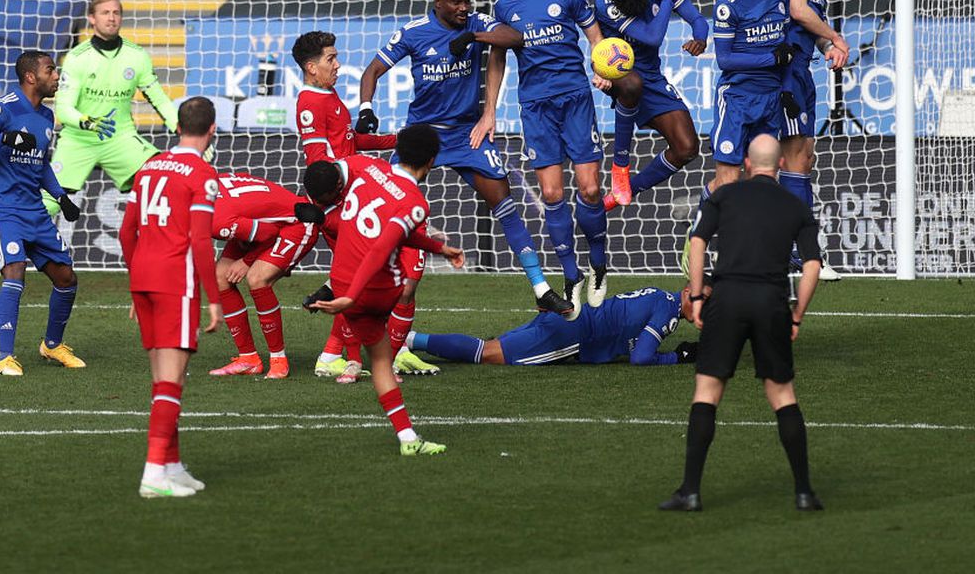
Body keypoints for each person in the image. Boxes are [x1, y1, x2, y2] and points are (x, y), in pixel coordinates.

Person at [356, 0, 574, 316]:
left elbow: (515, 37)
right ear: (438, 1)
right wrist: (366, 109)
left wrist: (475, 38)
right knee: (388, 206)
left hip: (467, 133)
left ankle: (540, 288)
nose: (463, 8)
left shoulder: (475, 23)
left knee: (504, 203)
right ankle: (351, 282)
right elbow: (372, 71)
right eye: (456, 2)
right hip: (423, 135)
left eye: (467, 2)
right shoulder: (414, 32)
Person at [661, 134, 823, 512]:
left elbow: (697, 243)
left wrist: (698, 296)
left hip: (728, 298)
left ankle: (691, 491)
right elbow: (812, 266)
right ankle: (803, 492)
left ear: (747, 165)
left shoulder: (724, 195)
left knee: (708, 393)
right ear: (781, 165)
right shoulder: (795, 205)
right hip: (771, 301)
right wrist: (796, 312)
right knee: (783, 396)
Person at [292, 30, 438, 379]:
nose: (338, 64)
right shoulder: (311, 103)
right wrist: (336, 210)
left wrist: (395, 139)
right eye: (331, 59)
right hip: (343, 204)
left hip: (355, 196)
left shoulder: (328, 95)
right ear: (311, 67)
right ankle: (342, 357)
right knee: (373, 277)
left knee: (390, 272)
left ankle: (386, 351)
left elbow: (350, 141)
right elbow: (320, 164)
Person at [313, 125, 465, 456]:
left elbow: (394, 232)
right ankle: (388, 353)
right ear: (431, 161)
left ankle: (408, 438)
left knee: (380, 360)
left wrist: (440, 247)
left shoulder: (366, 173)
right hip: (372, 289)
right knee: (406, 286)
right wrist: (354, 294)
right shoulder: (415, 201)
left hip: (340, 278)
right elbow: (383, 246)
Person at [493, 0, 609, 310]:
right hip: (536, 107)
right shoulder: (505, 4)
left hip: (575, 99)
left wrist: (602, 67)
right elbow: (497, 57)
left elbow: (595, 35)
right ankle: (571, 272)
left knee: (590, 190)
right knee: (552, 194)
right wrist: (489, 110)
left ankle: (599, 262)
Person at [119, 96, 224, 498]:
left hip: (143, 278)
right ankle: (152, 475)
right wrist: (213, 298)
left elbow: (126, 232)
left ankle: (171, 465)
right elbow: (200, 239)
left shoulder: (148, 167)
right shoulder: (202, 174)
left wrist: (135, 281)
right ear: (212, 130)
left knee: (166, 380)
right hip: (174, 281)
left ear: (177, 127)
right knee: (171, 379)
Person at [0, 50, 83, 376]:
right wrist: (4, 137)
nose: (56, 76)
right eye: (50, 70)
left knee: (66, 278)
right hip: (4, 209)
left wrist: (61, 196)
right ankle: (5, 356)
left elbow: (41, 163)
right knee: (15, 271)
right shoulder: (3, 107)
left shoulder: (46, 117)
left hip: (35, 210)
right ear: (31, 77)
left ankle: (53, 345)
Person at [683, 0, 795, 274]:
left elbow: (787, 49)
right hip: (737, 99)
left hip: (771, 99)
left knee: (762, 180)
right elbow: (726, 60)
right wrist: (768, 58)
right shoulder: (729, 4)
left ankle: (758, 251)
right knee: (728, 182)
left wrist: (786, 87)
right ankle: (699, 239)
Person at [43, 0, 178, 216]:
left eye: (116, 13)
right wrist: (87, 122)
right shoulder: (77, 57)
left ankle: (155, 246)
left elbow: (159, 99)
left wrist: (186, 131)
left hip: (120, 137)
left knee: (164, 180)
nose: (111, 18)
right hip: (79, 139)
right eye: (105, 13)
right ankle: (19, 246)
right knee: (49, 203)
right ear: (92, 19)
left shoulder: (137, 56)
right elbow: (63, 110)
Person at [593, 0, 710, 210]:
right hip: (618, 72)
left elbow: (697, 20)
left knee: (687, 148)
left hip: (653, 77)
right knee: (632, 84)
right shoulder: (607, 3)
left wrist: (700, 38)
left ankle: (619, 195)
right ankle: (620, 167)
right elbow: (652, 36)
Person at [777, 0, 849, 282]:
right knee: (792, 158)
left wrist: (826, 46)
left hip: (801, 71)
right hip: (783, 72)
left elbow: (809, 24)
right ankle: (803, 253)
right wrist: (836, 37)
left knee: (802, 159)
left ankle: (797, 250)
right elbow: (796, 10)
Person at [207, 172, 330, 380]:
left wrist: (246, 262)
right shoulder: (207, 188)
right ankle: (248, 359)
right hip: (257, 223)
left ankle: (278, 360)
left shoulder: (216, 220)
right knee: (220, 276)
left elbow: (269, 233)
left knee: (257, 278)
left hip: (296, 225)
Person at [407, 285, 700, 367]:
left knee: (491, 346)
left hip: (572, 316)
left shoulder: (659, 294)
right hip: (574, 334)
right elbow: (641, 358)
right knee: (486, 353)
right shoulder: (668, 312)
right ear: (688, 290)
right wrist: (678, 357)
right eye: (703, 298)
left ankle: (406, 339)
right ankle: (406, 341)